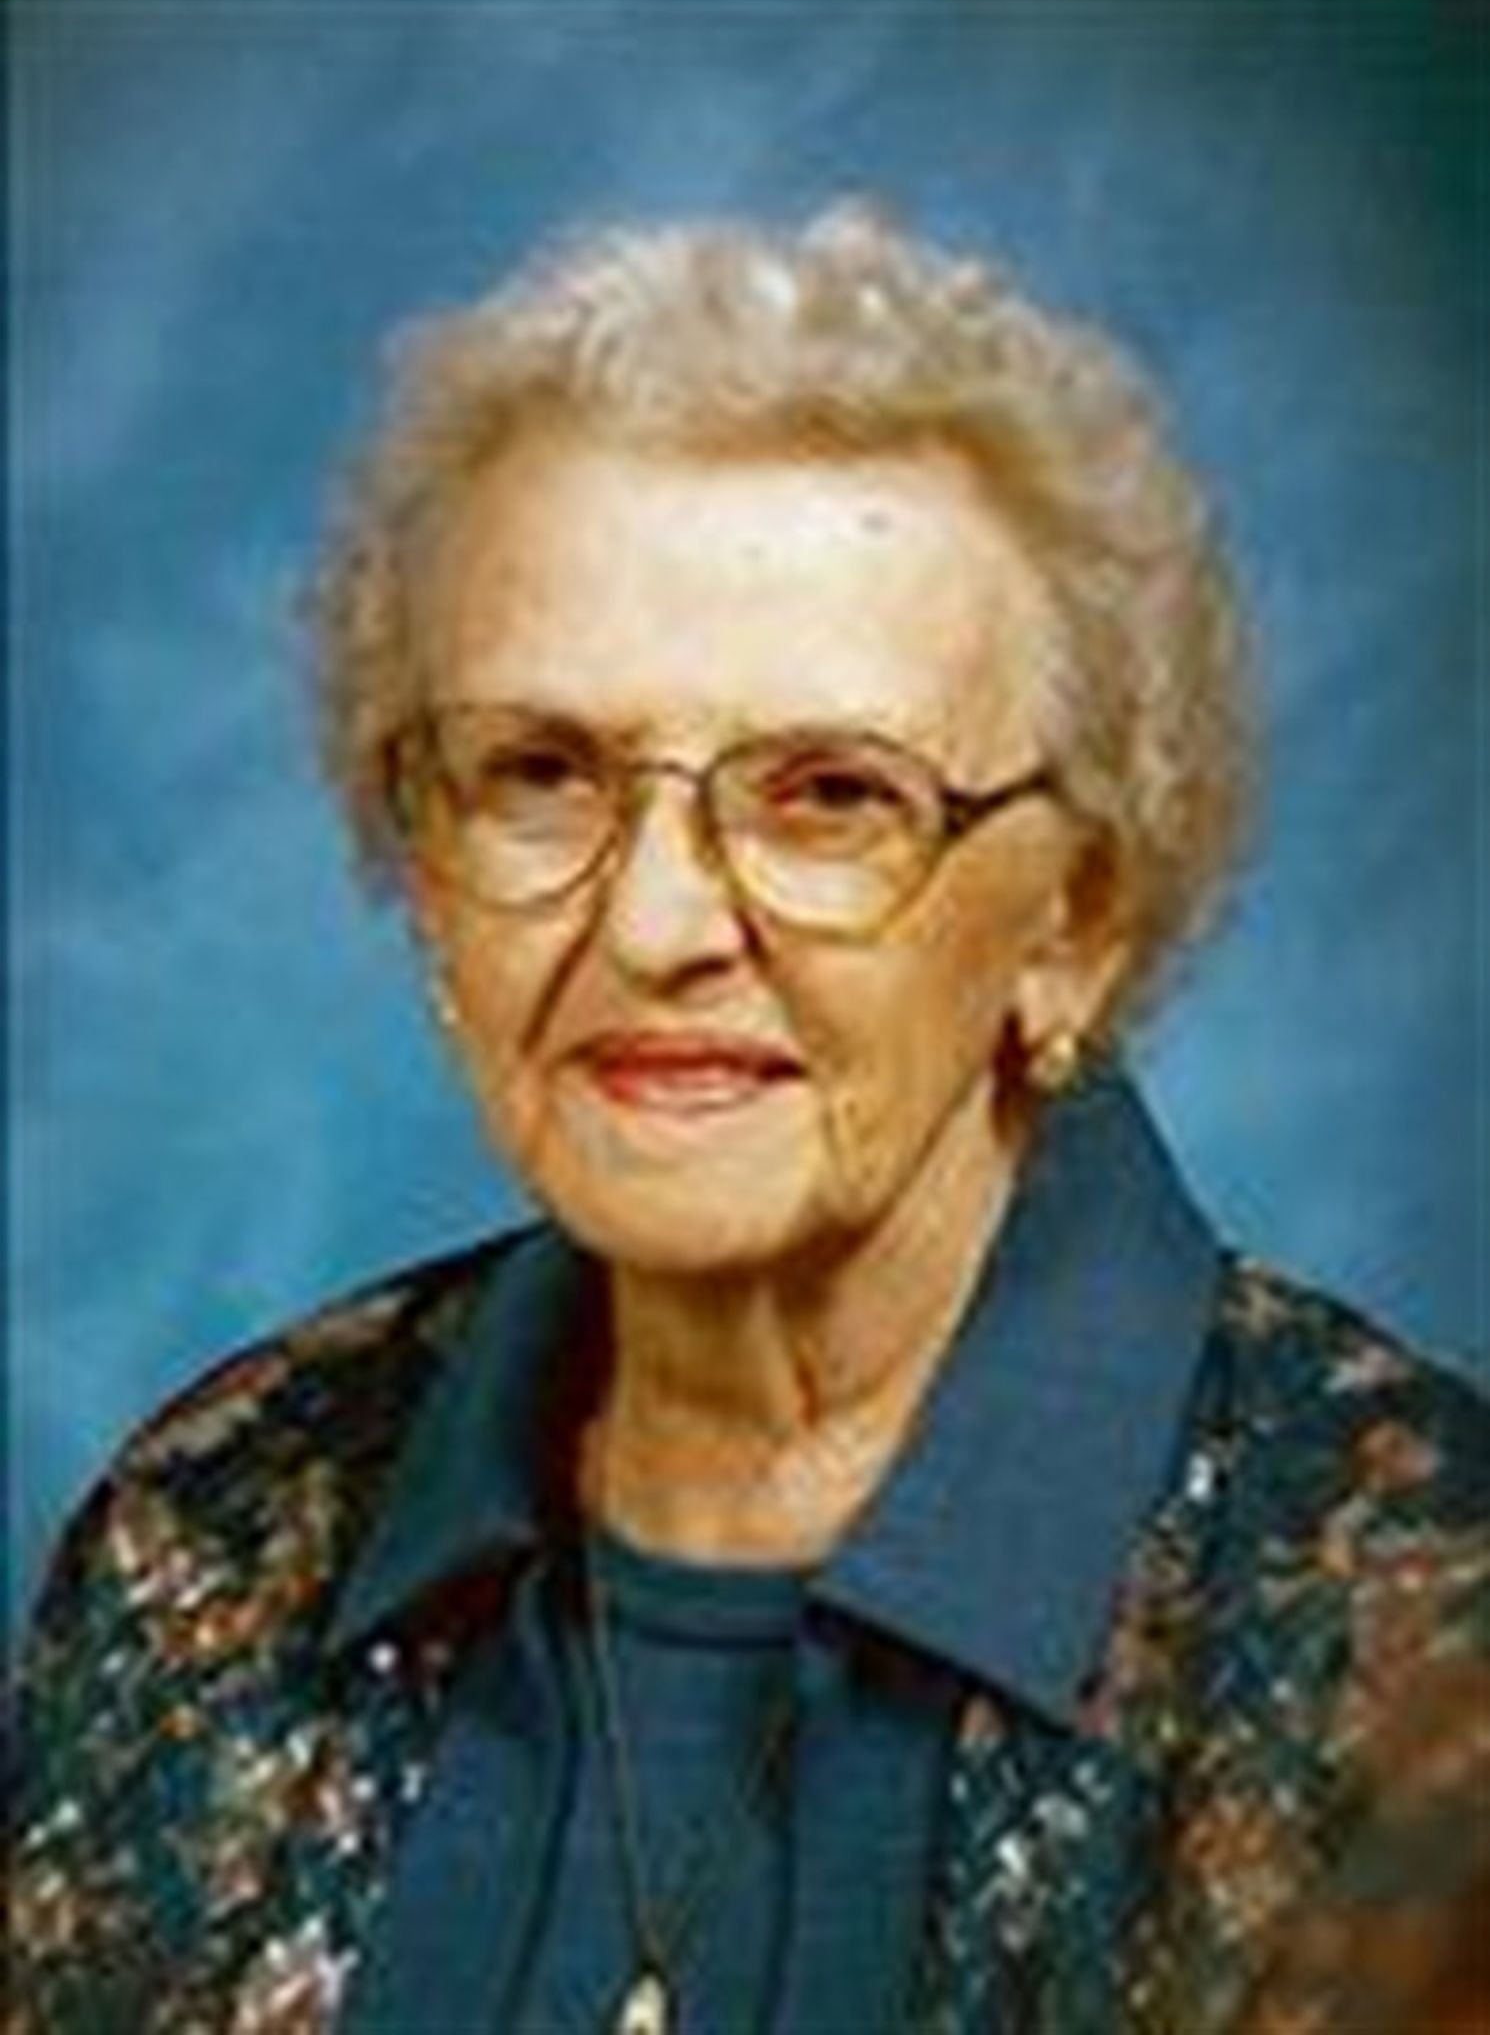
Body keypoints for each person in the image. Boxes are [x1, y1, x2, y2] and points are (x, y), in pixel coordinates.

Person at [11, 203, 1487, 2035]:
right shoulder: (207, 1529)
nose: (652, 926)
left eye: (828, 796)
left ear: (1075, 923)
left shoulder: (1421, 1652)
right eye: (540, 772)